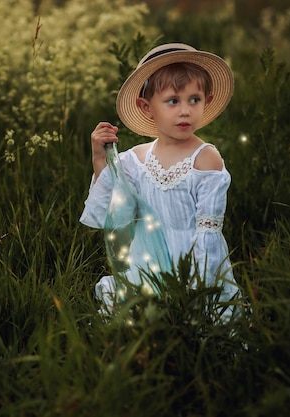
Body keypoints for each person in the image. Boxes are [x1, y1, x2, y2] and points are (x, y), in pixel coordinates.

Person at [80, 43, 239, 318]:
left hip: (194, 266)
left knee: (197, 321)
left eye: (194, 99)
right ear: (147, 107)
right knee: (136, 315)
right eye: (173, 101)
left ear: (207, 101)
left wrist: (196, 285)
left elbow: (208, 234)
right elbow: (112, 207)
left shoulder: (206, 160)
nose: (185, 111)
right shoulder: (137, 159)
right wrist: (99, 158)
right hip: (148, 261)